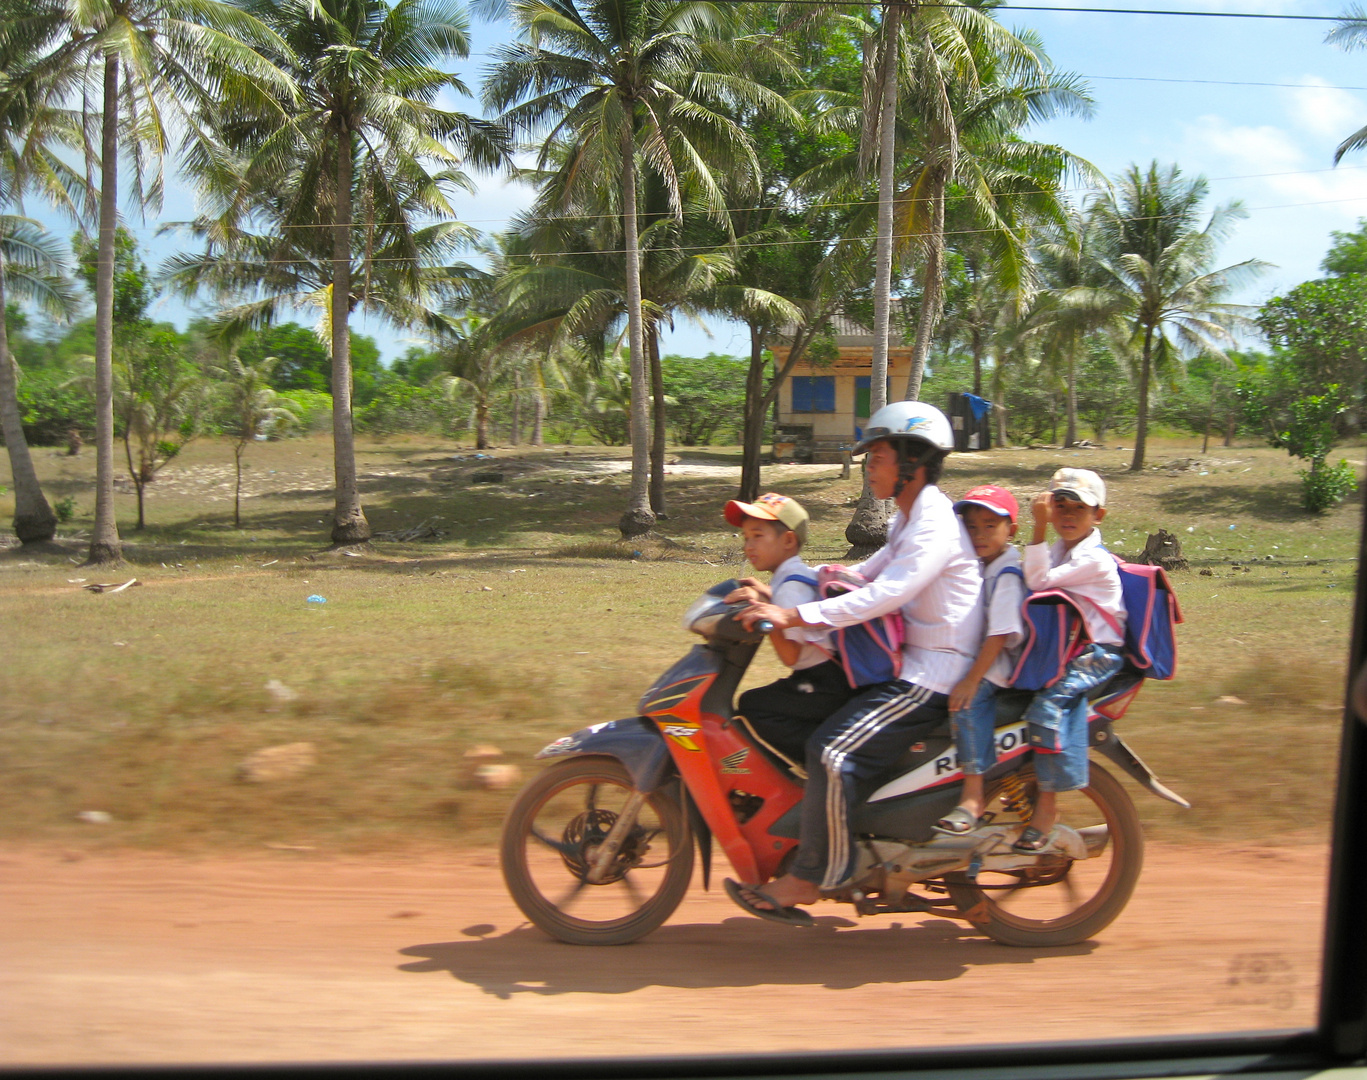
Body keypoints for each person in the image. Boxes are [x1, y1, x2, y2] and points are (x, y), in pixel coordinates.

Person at [724, 401, 983, 925]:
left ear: (913, 460)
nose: (870, 468)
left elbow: (883, 595)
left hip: (933, 674)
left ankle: (814, 876)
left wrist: (791, 610)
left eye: (879, 457)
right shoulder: (911, 518)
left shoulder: (933, 522)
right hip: (910, 666)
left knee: (832, 751)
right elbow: (863, 572)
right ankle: (855, 819)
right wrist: (776, 584)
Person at [1015, 467, 1126, 853]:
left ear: (1099, 515)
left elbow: (1037, 581)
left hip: (1099, 655)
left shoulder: (1093, 559)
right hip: (1072, 648)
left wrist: (1038, 528)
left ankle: (1047, 809)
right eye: (1059, 505)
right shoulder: (1065, 550)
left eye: (1079, 508)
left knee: (1047, 708)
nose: (1067, 514)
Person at [722, 493, 854, 770]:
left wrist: (765, 612)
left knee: (755, 705)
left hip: (823, 684)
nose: (749, 545)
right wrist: (767, 595)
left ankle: (821, 766)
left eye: (758, 536)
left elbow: (790, 655)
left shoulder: (790, 587)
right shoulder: (795, 577)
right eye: (746, 537)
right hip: (830, 677)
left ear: (789, 540)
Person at [935, 484, 1026, 835]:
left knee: (967, 705)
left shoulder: (1006, 574)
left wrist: (973, 680)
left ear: (1011, 531)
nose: (979, 535)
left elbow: (999, 634)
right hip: (978, 658)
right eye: (972, 527)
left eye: (990, 526)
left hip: (996, 667)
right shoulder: (980, 566)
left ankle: (972, 797)